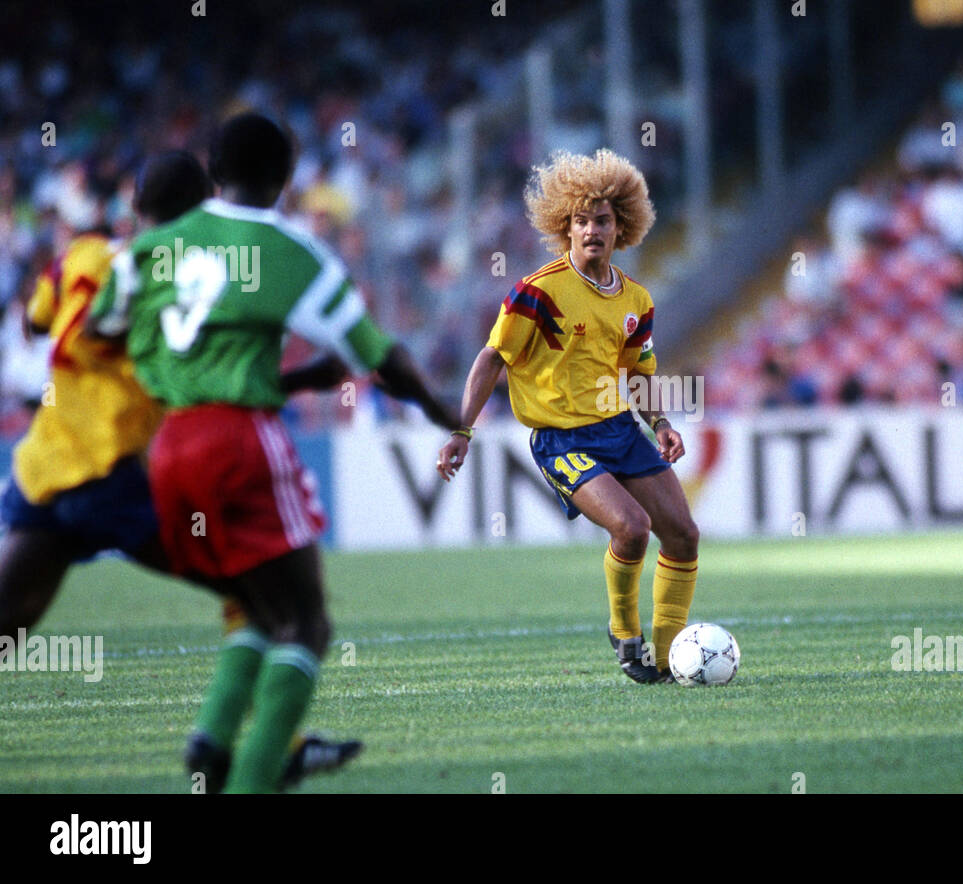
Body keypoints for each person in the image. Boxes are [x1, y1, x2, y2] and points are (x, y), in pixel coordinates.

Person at [89, 115, 459, 792]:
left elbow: (101, 327)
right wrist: (442, 411)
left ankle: (213, 732)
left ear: (212, 167)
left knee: (257, 607)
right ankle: (252, 781)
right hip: (238, 441)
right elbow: (380, 357)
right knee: (306, 621)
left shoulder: (150, 249)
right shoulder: (290, 247)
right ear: (287, 175)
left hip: (167, 449)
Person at [0, 150, 361, 790]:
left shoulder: (85, 254)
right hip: (114, 475)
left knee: (10, 615)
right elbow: (211, 380)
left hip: (43, 468)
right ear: (205, 213)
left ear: (135, 211)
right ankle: (272, 747)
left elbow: (35, 320)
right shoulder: (176, 283)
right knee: (261, 597)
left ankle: (247, 742)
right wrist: (306, 376)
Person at [436, 149, 699, 683]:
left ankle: (672, 658)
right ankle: (627, 637)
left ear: (621, 226)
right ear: (566, 227)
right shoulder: (538, 293)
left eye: (602, 220)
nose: (592, 230)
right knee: (631, 527)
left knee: (684, 533)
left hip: (620, 430)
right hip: (561, 439)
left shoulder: (637, 301)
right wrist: (463, 429)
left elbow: (639, 373)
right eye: (581, 220)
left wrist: (662, 425)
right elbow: (492, 357)